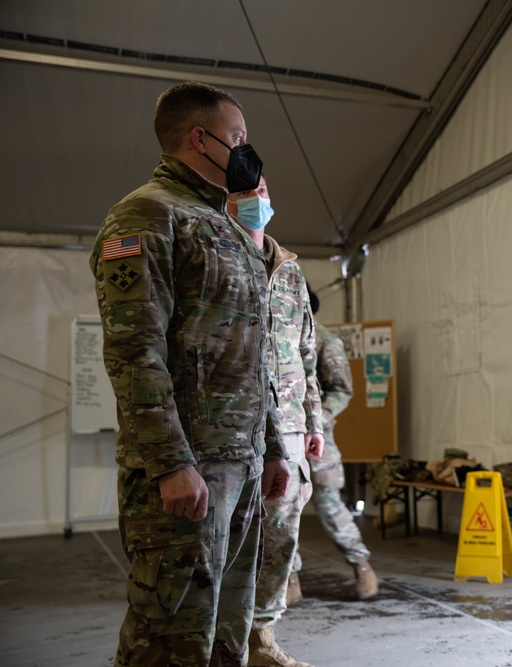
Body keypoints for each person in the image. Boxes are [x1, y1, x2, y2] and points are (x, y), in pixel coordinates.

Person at [91, 81, 290, 667]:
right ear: (199, 139)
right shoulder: (146, 216)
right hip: (190, 473)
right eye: (238, 139)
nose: (247, 152)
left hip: (244, 464)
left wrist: (274, 445)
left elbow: (254, 353)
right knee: (170, 636)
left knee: (229, 636)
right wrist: (171, 463)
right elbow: (134, 352)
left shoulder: (229, 229)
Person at [229, 177, 322, 667]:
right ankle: (222, 647)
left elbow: (307, 352)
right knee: (229, 544)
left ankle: (262, 639)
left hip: (287, 429)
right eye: (243, 192)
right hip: (231, 429)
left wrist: (315, 424)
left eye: (261, 189)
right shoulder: (215, 255)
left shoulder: (289, 270)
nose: (255, 200)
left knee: (281, 542)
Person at [304, 285, 379, 600]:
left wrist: (317, 421)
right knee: (277, 512)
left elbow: (341, 390)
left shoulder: (325, 340)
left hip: (318, 439)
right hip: (279, 439)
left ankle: (361, 565)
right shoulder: (272, 336)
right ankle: (288, 579)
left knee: (330, 504)